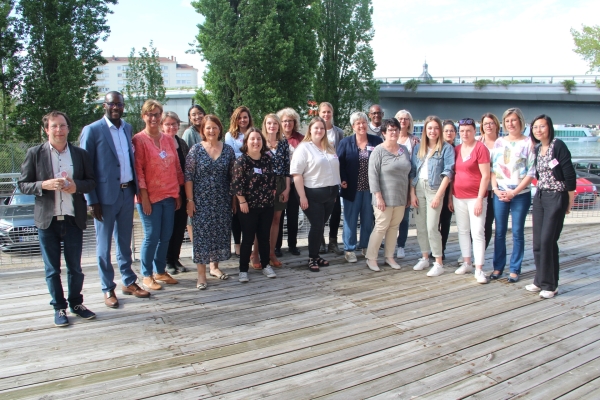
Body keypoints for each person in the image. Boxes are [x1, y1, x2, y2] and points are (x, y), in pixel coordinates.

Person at [19, 111, 96, 327]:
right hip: (47, 220)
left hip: (73, 219)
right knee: (52, 269)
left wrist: (76, 186)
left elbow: (91, 181)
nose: (59, 130)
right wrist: (43, 185)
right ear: (46, 130)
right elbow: (23, 184)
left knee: (75, 267)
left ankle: (76, 303)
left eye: (62, 126)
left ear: (68, 128)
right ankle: (59, 307)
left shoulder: (80, 154)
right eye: (54, 126)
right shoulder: (35, 153)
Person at [80, 91, 150, 308]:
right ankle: (107, 287)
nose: (116, 108)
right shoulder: (92, 131)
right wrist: (92, 200)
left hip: (127, 193)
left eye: (119, 104)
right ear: (105, 106)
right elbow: (85, 167)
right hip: (104, 197)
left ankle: (128, 281)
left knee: (125, 243)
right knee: (103, 247)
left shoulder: (127, 128)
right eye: (112, 104)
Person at [132, 100, 184, 291]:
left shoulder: (169, 139)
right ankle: (146, 275)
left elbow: (176, 167)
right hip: (149, 198)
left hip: (169, 195)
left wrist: (178, 192)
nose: (153, 118)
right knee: (151, 236)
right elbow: (138, 170)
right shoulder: (139, 140)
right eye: (150, 114)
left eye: (156, 114)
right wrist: (143, 196)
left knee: (166, 235)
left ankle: (160, 271)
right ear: (143, 116)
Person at [185, 115, 236, 290]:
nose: (211, 131)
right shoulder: (195, 150)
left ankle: (215, 268)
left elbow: (233, 178)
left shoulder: (228, 150)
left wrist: (234, 199)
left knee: (218, 234)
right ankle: (201, 275)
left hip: (222, 200)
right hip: (201, 201)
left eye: (214, 127)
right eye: (208, 128)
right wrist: (190, 200)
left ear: (220, 129)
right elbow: (188, 177)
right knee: (201, 237)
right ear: (203, 130)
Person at [527, 114, 575, 299]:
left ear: (549, 127)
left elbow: (569, 174)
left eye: (542, 126)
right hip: (540, 196)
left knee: (548, 240)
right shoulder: (538, 148)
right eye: (535, 127)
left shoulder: (558, 145)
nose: (538, 130)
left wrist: (569, 200)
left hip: (557, 196)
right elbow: (538, 174)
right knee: (538, 241)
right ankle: (540, 280)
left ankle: (550, 285)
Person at [490, 107, 536, 283]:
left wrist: (514, 192)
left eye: (514, 120)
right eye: (507, 121)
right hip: (500, 193)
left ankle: (515, 268)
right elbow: (493, 169)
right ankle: (498, 266)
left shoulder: (529, 143)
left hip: (520, 194)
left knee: (517, 232)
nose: (510, 124)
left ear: (521, 122)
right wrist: (495, 189)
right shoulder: (499, 142)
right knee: (499, 232)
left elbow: (531, 172)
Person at [290, 117, 341, 272]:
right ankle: (312, 257)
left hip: (330, 194)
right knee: (317, 225)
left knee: (320, 226)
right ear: (310, 130)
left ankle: (317, 254)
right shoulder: (304, 148)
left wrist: (335, 192)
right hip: (312, 194)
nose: (319, 131)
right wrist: (302, 197)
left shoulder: (329, 147)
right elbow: (296, 174)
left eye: (322, 128)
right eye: (316, 128)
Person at [410, 115, 455, 277]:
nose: (433, 131)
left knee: (432, 227)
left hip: (435, 188)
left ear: (440, 130)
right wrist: (412, 193)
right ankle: (424, 257)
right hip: (419, 187)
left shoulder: (446, 148)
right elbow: (413, 171)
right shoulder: (418, 148)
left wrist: (439, 196)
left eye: (436, 128)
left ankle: (438, 262)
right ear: (425, 130)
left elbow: (448, 173)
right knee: (421, 226)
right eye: (429, 128)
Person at [364, 118, 411, 271]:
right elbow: (373, 175)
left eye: (396, 129)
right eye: (390, 130)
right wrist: (378, 196)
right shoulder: (378, 150)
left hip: (400, 197)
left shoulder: (404, 150)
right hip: (383, 198)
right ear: (383, 133)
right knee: (381, 226)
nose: (393, 132)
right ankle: (371, 258)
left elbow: (409, 173)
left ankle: (389, 257)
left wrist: (409, 195)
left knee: (394, 227)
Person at [231, 128, 277, 282]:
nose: (256, 142)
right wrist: (242, 201)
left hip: (266, 206)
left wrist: (273, 192)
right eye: (252, 139)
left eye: (258, 139)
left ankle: (265, 265)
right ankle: (243, 269)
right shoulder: (241, 161)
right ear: (246, 142)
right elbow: (236, 184)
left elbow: (273, 179)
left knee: (264, 238)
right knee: (248, 238)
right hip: (248, 207)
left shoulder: (267, 159)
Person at [449, 118, 490, 284]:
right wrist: (451, 196)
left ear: (475, 131)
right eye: (462, 130)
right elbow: (454, 174)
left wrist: (480, 198)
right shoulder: (457, 149)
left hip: (475, 197)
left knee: (478, 232)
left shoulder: (481, 149)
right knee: (463, 230)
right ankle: (466, 262)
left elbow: (486, 175)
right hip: (458, 197)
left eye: (468, 130)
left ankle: (479, 268)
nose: (465, 133)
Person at [338, 111, 383, 263]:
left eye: (364, 122)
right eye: (358, 123)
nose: (361, 125)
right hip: (351, 188)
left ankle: (365, 246)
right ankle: (349, 249)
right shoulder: (345, 142)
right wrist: (343, 178)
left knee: (367, 218)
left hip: (371, 189)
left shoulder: (376, 141)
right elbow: (340, 163)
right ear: (353, 126)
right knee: (350, 220)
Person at [163, 112, 190, 275]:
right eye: (168, 124)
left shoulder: (181, 143)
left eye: (174, 124)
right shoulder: (160, 142)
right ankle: (167, 260)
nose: (172, 127)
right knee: (168, 227)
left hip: (181, 189)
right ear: (162, 126)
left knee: (180, 227)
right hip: (167, 190)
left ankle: (175, 257)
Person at [224, 106, 254, 258]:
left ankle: (250, 244)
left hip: (252, 179)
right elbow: (231, 154)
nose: (243, 120)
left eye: (245, 117)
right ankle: (237, 244)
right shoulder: (230, 135)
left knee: (250, 212)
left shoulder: (253, 133)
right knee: (236, 211)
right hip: (236, 177)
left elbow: (257, 151)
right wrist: (248, 154)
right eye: (240, 117)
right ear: (235, 119)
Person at [275, 107, 305, 256]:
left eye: (290, 121)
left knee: (293, 215)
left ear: (295, 123)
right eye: (284, 121)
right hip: (280, 182)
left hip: (296, 182)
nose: (287, 124)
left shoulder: (301, 139)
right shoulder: (276, 138)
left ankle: (292, 244)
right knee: (278, 216)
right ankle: (277, 246)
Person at [262, 114, 290, 268]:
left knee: (276, 220)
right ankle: (256, 254)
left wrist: (287, 189)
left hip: (280, 183)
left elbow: (287, 168)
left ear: (279, 126)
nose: (272, 126)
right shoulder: (259, 141)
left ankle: (271, 252)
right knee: (261, 221)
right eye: (269, 123)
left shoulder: (283, 143)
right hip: (263, 184)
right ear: (265, 125)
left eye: (275, 123)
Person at [318, 101, 344, 255]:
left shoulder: (338, 132)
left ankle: (333, 242)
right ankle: (319, 240)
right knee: (320, 211)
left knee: (336, 210)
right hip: (319, 178)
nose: (326, 115)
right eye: (323, 112)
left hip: (335, 177)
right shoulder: (315, 131)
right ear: (319, 114)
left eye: (329, 112)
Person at [394, 110, 420, 259]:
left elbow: (415, 165)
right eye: (400, 119)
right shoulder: (389, 137)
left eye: (406, 119)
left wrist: (412, 189)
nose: (403, 121)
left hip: (406, 182)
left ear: (409, 122)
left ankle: (401, 245)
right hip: (390, 183)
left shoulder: (414, 141)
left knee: (404, 217)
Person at [181, 105, 206, 244]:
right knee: (192, 215)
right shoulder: (189, 133)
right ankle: (195, 245)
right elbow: (187, 160)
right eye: (193, 115)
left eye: (200, 113)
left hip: (206, 181)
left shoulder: (206, 130)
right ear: (190, 118)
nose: (197, 117)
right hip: (194, 180)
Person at [479, 113, 500, 249]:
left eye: (491, 123)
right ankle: (468, 253)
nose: (488, 126)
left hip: (495, 189)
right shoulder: (477, 142)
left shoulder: (503, 143)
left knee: (487, 223)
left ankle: (480, 252)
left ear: (496, 125)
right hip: (479, 188)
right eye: (486, 123)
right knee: (475, 222)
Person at [436, 120, 457, 260]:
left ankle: (441, 248)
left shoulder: (458, 150)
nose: (449, 133)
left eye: (451, 131)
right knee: (434, 221)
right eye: (446, 131)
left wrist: (450, 197)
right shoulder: (437, 148)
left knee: (445, 221)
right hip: (436, 189)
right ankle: (435, 247)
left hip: (450, 190)